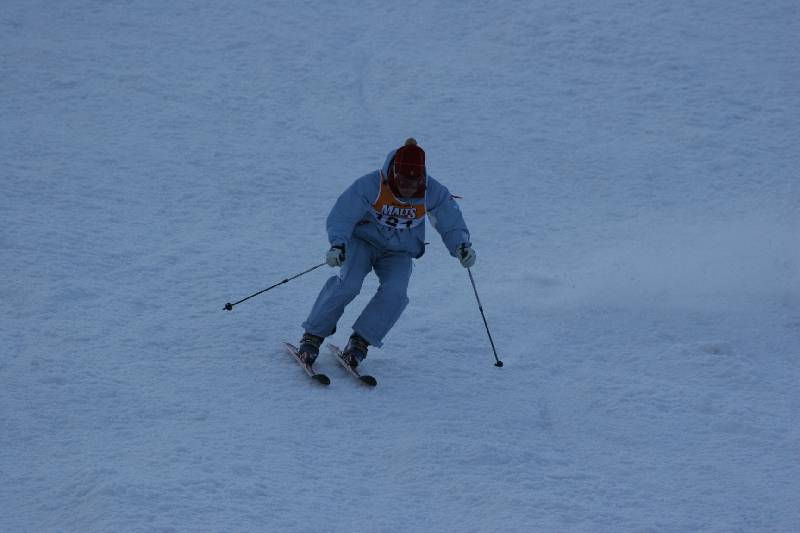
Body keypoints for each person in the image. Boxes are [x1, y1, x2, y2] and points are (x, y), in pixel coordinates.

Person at [297, 138, 476, 367]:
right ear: (394, 173)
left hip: (399, 252)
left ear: (422, 178)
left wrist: (461, 246)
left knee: (396, 294)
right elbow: (343, 215)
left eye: (414, 182)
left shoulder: (433, 192)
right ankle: (313, 335)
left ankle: (360, 341)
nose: (408, 188)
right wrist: (338, 245)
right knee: (348, 284)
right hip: (363, 242)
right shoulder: (372, 185)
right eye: (403, 181)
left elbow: (450, 221)